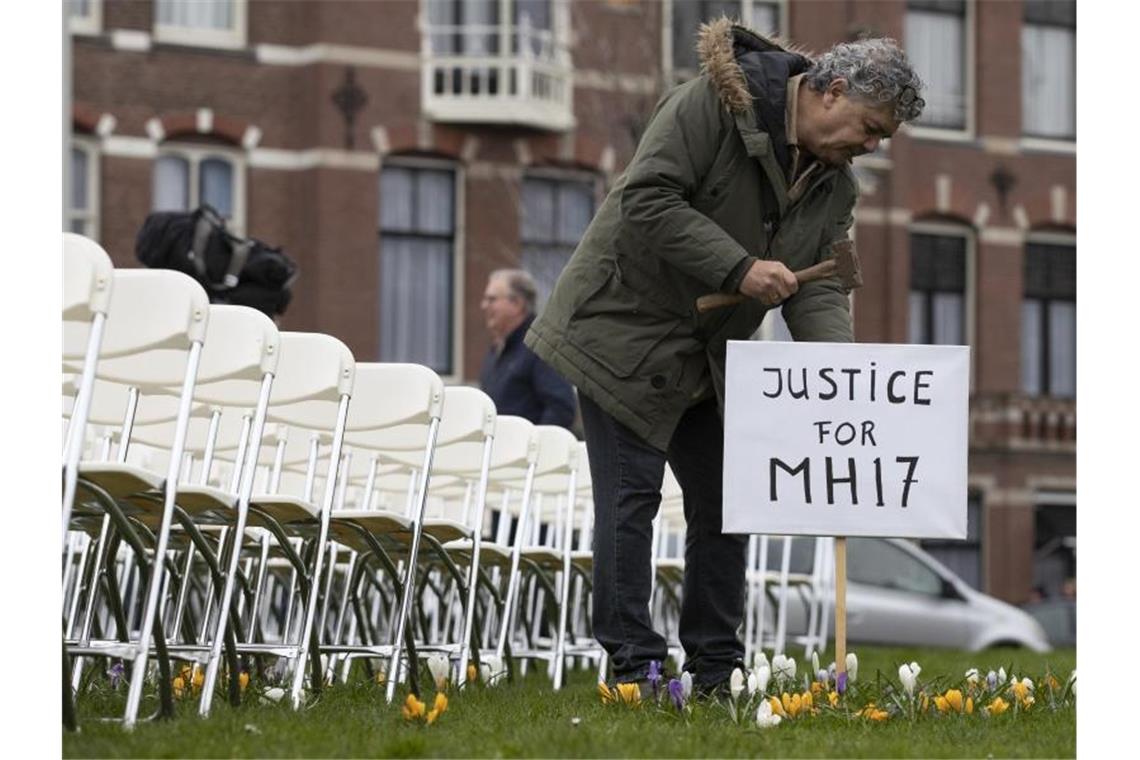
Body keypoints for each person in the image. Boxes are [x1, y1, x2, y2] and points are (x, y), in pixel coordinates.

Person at [525, 18, 925, 693]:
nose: (873, 145)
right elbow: (645, 200)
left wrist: (843, 376)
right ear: (829, 92)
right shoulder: (707, 106)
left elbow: (822, 284)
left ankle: (716, 669)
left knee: (725, 505)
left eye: (882, 137)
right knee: (631, 499)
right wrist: (740, 267)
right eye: (871, 127)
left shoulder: (835, 185)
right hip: (617, 330)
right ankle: (636, 667)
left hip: (706, 358)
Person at [479, 268, 577, 428]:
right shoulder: (497, 350)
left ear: (517, 304)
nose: (484, 305)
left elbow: (561, 409)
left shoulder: (540, 347)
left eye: (492, 299)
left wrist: (531, 448)